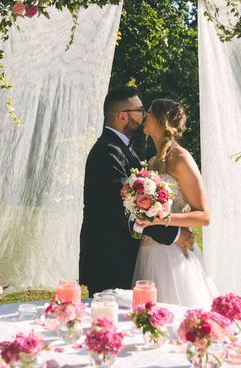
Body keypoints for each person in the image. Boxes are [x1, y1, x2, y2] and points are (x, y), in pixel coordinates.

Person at [79, 87, 195, 296]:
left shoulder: (125, 148)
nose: (144, 115)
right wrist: (175, 234)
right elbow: (123, 210)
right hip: (108, 260)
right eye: (140, 110)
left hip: (127, 258)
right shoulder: (107, 152)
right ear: (122, 116)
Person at [132, 98, 219, 307]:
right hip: (147, 252)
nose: (145, 115)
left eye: (150, 111)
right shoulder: (153, 161)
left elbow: (204, 216)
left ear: (162, 120)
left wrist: (162, 219)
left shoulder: (181, 158)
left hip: (172, 257)